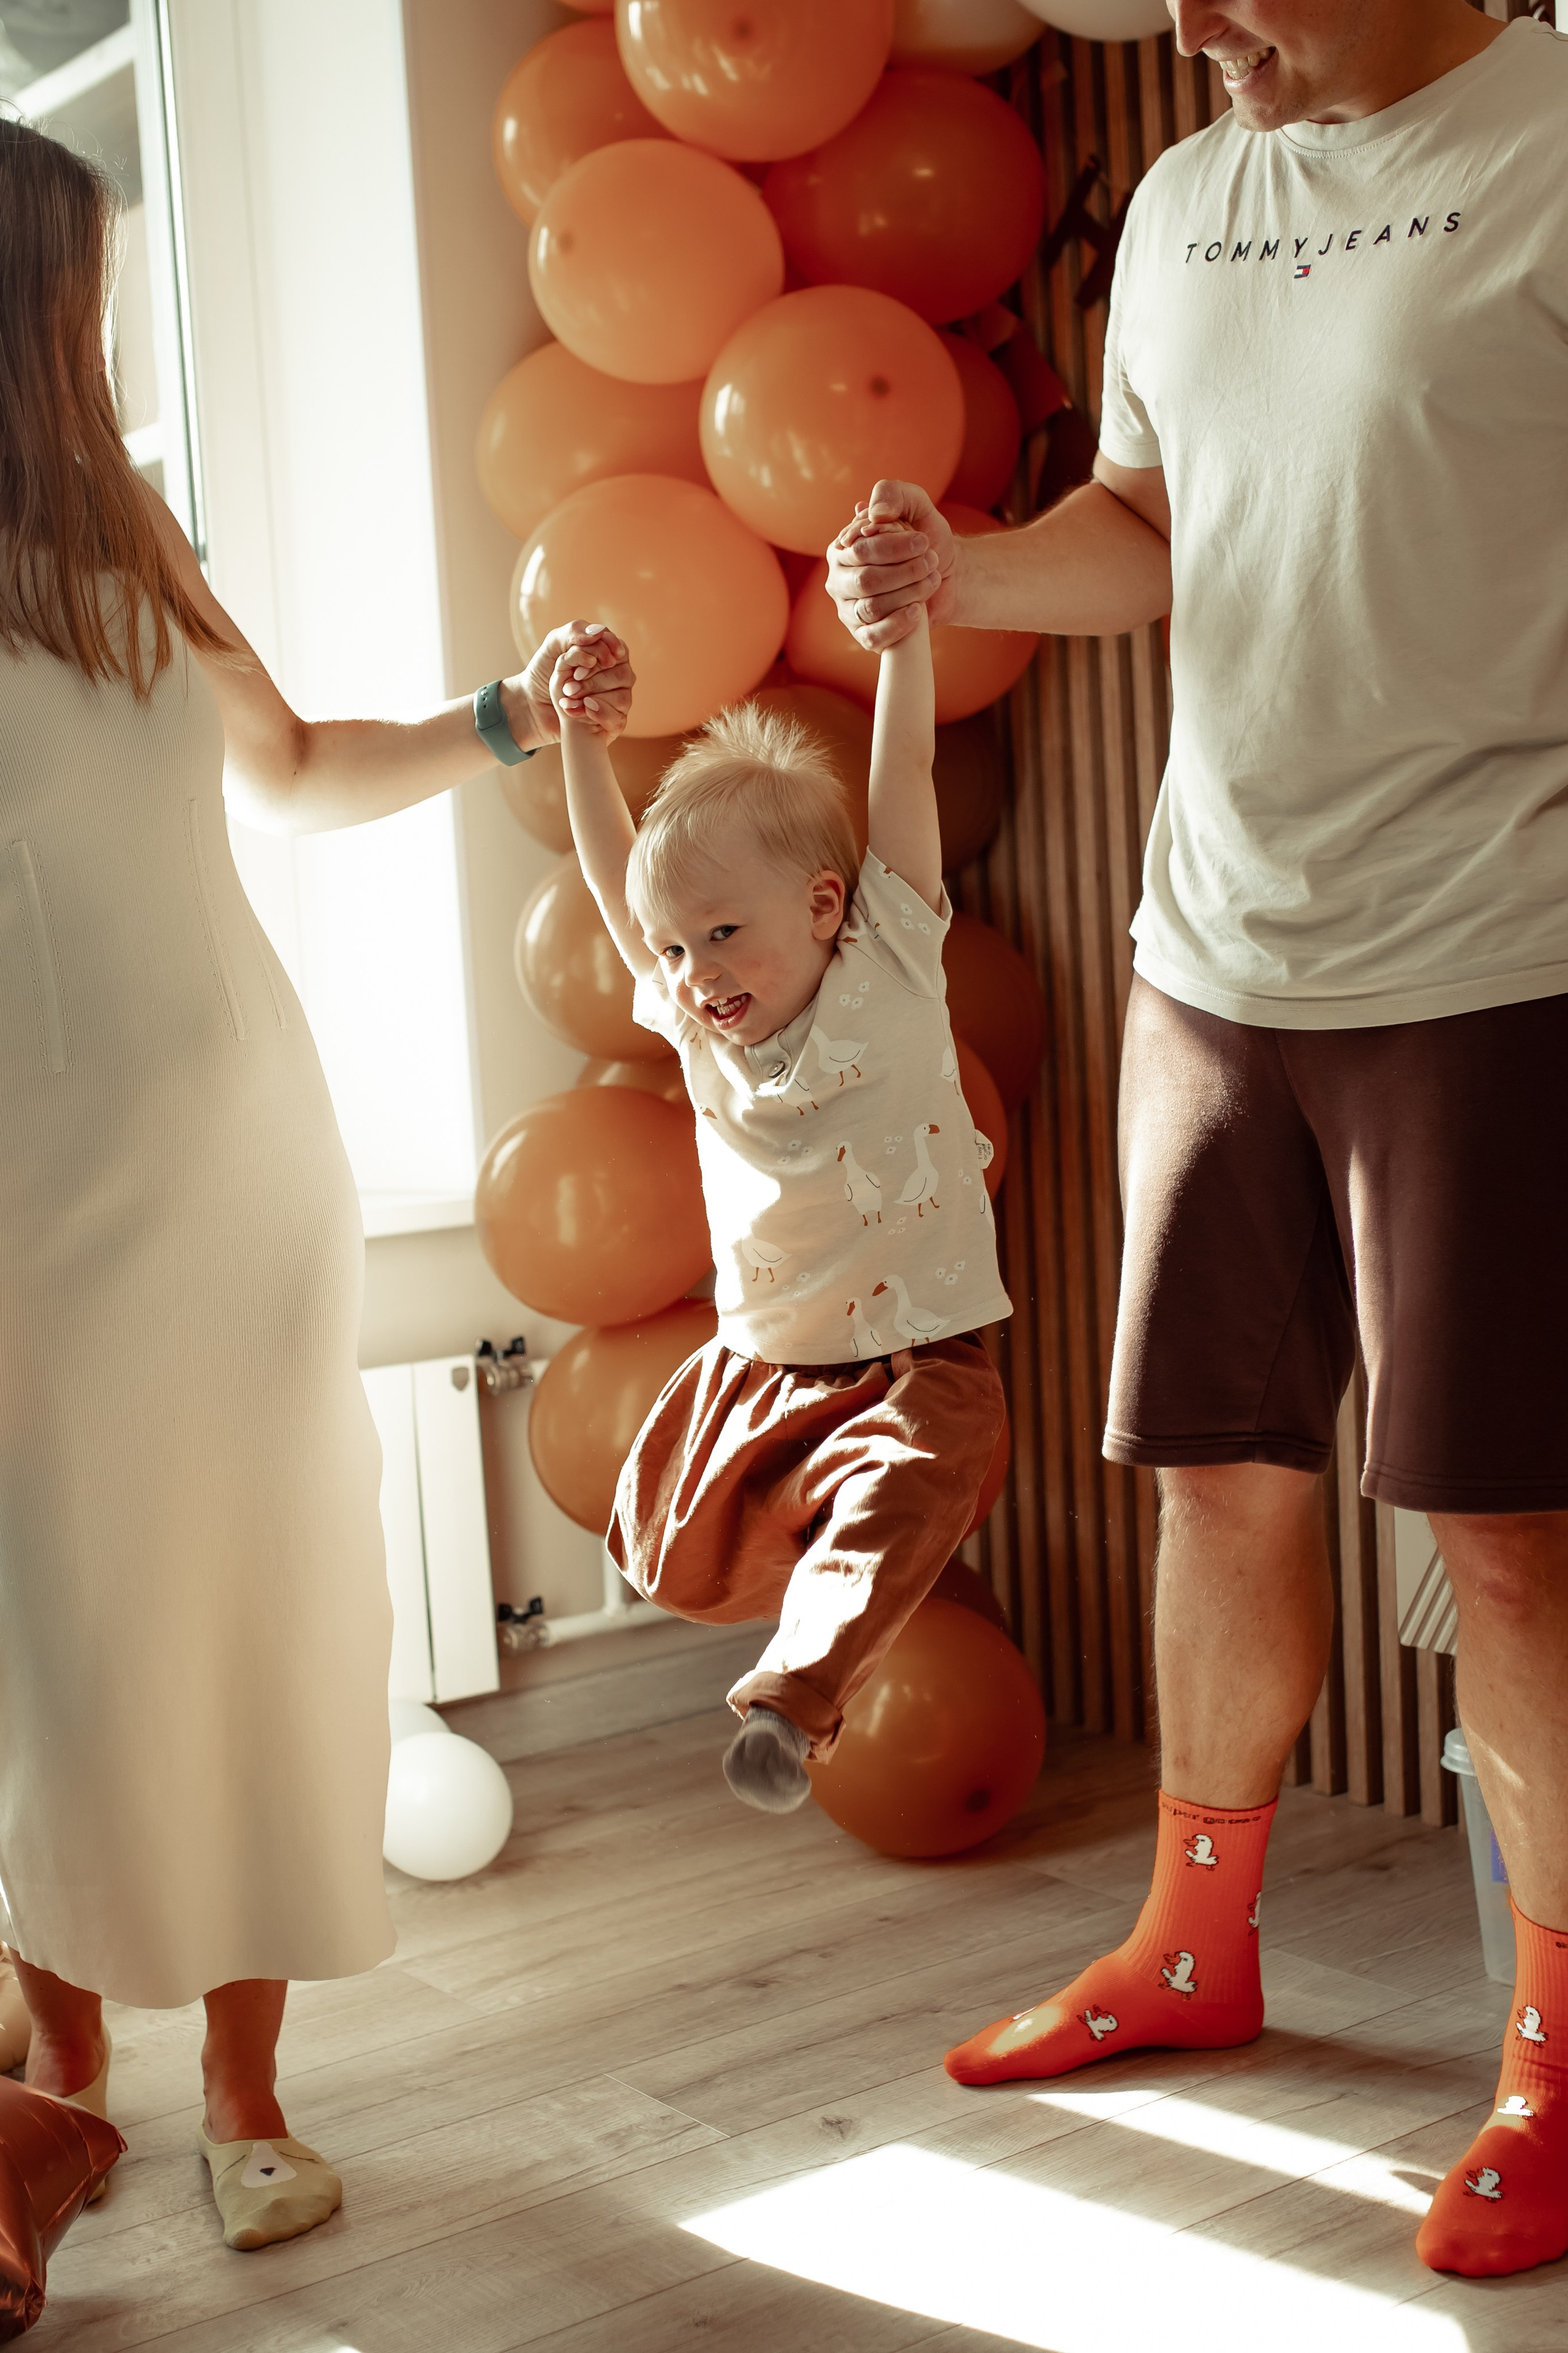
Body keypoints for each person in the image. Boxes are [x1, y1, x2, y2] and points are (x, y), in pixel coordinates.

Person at [824, 0, 1568, 2285]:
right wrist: (965, 571)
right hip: (1214, 948)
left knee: (1509, 1534)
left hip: (1501, 944)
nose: (1185, 25)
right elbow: (1150, 522)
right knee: (1219, 1469)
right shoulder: (1177, 195)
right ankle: (1189, 1944)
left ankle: (1556, 2058)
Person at [0, 119, 628, 2251]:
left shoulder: (135, 547)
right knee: (56, 1644)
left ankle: (243, 2096)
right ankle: (63, 2077)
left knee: (257, 1613)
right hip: (20, 1197)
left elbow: (293, 772)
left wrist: (493, 723)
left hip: (227, 1177)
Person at [545, 605, 1008, 1810]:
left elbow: (899, 772)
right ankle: (796, 1603)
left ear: (818, 905)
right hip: (762, 1359)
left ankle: (788, 1705)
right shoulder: (703, 1036)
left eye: (720, 935)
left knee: (908, 1490)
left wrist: (901, 640)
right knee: (664, 1547)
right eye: (674, 949)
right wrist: (582, 744)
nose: (695, 975)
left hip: (912, 1357)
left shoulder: (891, 959)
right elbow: (611, 877)